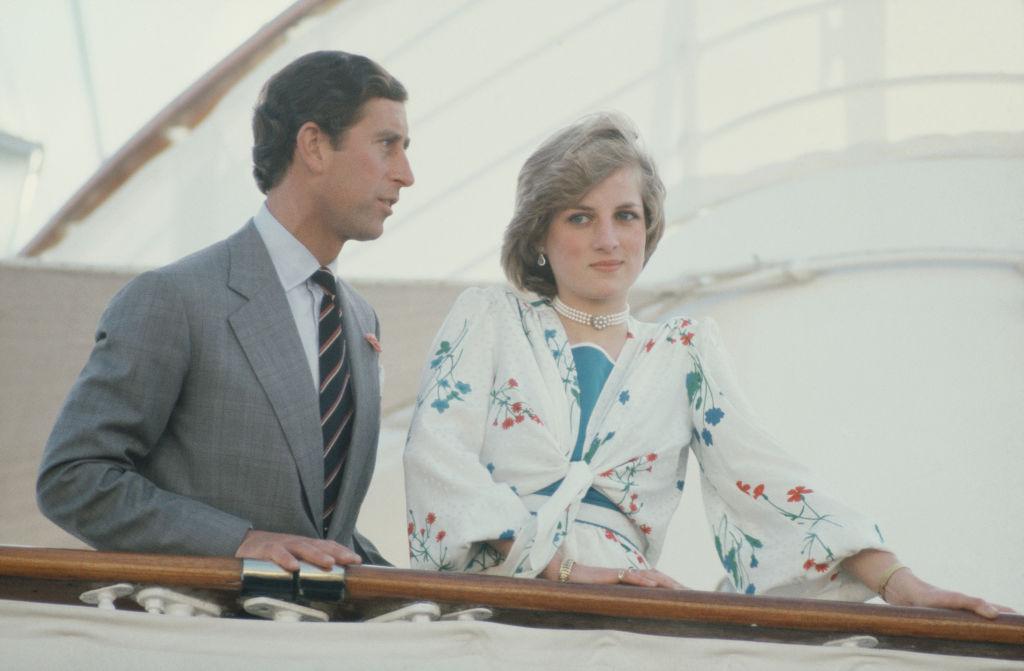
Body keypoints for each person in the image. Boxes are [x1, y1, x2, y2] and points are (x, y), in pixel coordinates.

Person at [403, 113, 1005, 618]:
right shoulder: (490, 317)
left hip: (629, 612)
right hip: (493, 597)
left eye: (626, 215)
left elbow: (766, 480)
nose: (608, 239)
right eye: (579, 217)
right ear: (540, 234)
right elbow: (438, 455)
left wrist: (899, 584)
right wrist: (559, 567)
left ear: (650, 227)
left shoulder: (685, 348)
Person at [37, 51, 414, 573]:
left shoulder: (360, 319)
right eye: (387, 146)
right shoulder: (174, 299)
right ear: (314, 145)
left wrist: (415, 590)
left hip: (317, 646)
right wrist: (239, 541)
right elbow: (73, 478)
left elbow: (321, 528)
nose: (406, 175)